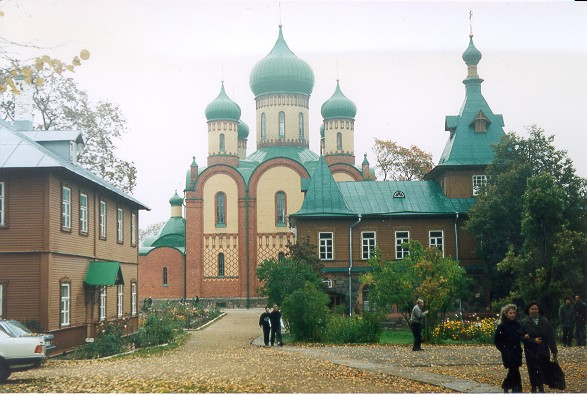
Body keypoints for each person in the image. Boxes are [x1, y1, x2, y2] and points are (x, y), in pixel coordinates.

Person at [521, 300, 558, 393]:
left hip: (543, 349)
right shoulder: (524, 322)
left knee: (542, 369)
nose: (534, 311)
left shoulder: (544, 321)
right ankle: (533, 387)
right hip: (531, 350)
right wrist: (532, 340)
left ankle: (541, 387)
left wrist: (554, 351)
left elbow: (551, 336)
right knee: (532, 369)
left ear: (539, 310)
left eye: (536, 309)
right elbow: (521, 337)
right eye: (532, 309)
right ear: (528, 310)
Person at [494, 304, 523, 393]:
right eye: (510, 313)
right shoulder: (502, 326)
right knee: (514, 369)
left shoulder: (518, 324)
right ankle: (516, 390)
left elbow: (520, 335)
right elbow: (497, 340)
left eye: (514, 313)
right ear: (506, 314)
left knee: (514, 370)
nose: (513, 315)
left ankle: (508, 386)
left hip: (517, 351)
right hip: (508, 352)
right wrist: (504, 349)